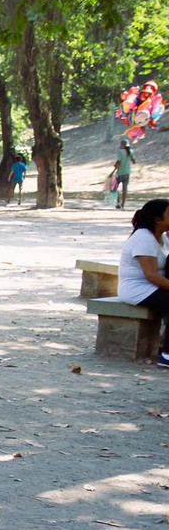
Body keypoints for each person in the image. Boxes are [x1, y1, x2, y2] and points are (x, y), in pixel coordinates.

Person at [118, 199, 169, 368]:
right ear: (157, 219)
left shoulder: (162, 238)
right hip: (138, 289)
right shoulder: (144, 238)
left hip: (154, 287)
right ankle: (167, 355)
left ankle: (163, 346)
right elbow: (151, 276)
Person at [110, 140, 135, 210]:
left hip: (120, 173)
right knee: (125, 189)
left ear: (122, 145)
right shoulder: (131, 151)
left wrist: (112, 172)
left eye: (120, 144)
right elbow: (134, 161)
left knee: (114, 187)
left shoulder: (120, 152)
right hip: (127, 173)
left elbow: (118, 163)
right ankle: (123, 204)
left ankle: (118, 202)